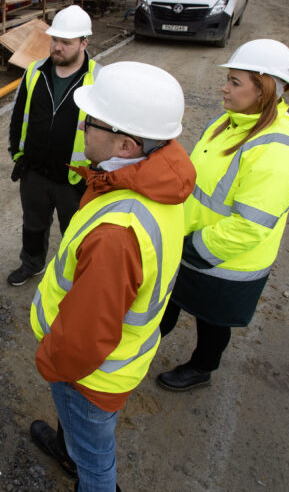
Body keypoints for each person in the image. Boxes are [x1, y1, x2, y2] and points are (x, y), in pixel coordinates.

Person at [29, 62, 196, 491]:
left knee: (96, 461)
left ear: (124, 144)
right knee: (85, 442)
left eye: (91, 121)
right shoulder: (153, 183)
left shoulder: (117, 234)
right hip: (117, 359)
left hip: (88, 376)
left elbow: (85, 336)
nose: (81, 126)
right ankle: (69, 452)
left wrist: (52, 363)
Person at [156, 39, 289, 391]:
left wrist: (193, 248)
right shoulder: (230, 122)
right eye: (227, 79)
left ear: (264, 90)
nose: (224, 87)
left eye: (234, 82)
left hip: (225, 260)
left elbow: (249, 227)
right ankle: (141, 347)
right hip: (193, 241)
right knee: (168, 301)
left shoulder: (279, 152)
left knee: (213, 319)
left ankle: (202, 368)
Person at [6, 4, 100, 286]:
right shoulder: (35, 72)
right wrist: (18, 153)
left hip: (75, 179)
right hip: (34, 171)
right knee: (33, 225)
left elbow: (107, 133)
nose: (57, 47)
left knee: (76, 232)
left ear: (84, 42)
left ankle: (75, 279)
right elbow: (17, 115)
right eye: (54, 40)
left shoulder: (98, 79)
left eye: (65, 42)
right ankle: (32, 264)